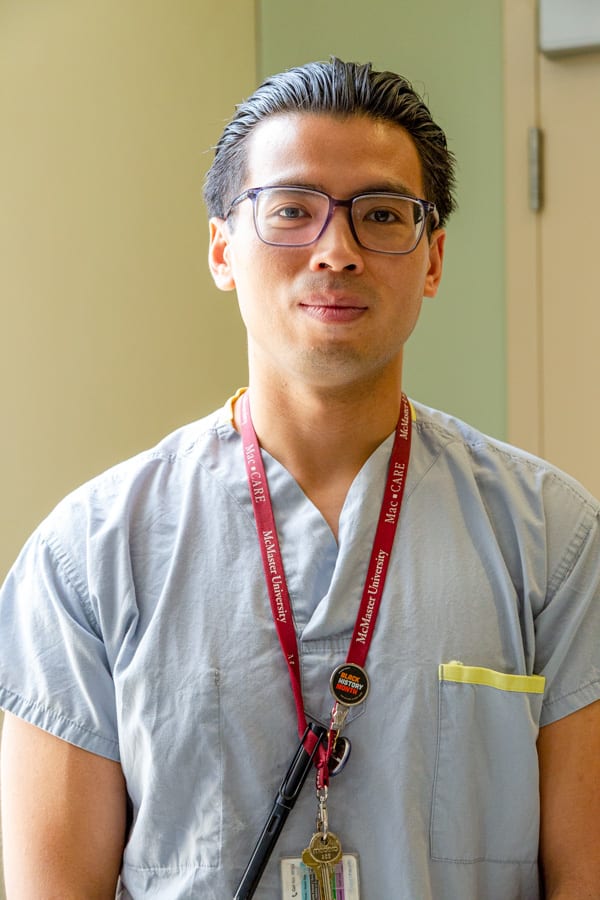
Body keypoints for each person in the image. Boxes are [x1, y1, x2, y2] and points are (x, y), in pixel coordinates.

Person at [1, 57, 599, 900]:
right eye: (292, 211)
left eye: (382, 216)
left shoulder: (553, 541)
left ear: (431, 261)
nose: (337, 251)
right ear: (221, 250)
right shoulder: (89, 556)